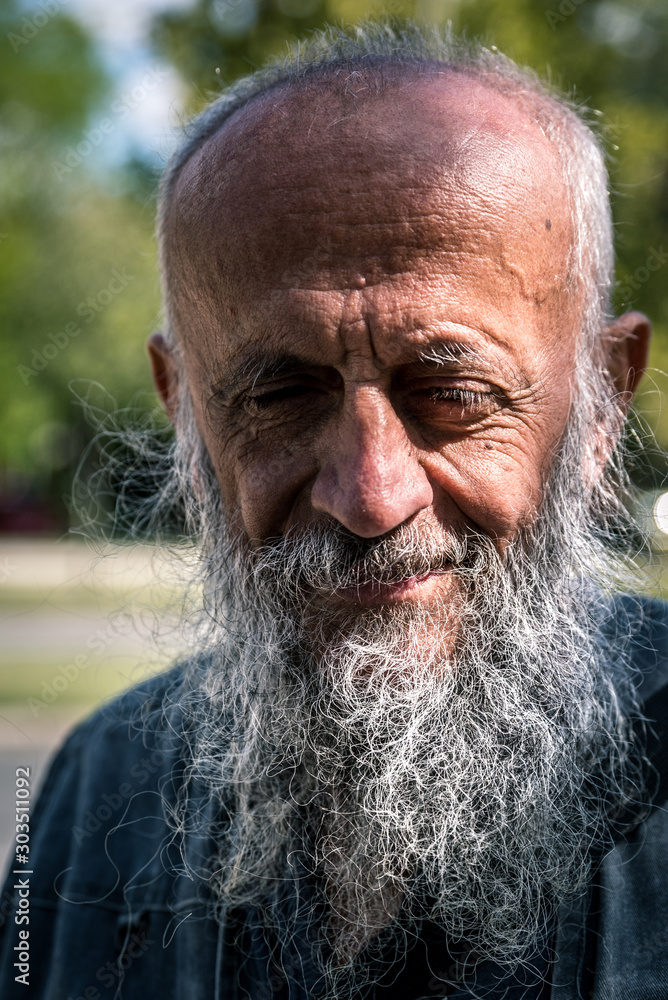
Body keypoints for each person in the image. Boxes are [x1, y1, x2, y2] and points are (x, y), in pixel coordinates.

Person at [1, 20, 667, 1000]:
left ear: (602, 399)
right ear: (184, 409)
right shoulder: (97, 782)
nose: (369, 496)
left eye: (452, 393)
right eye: (278, 396)